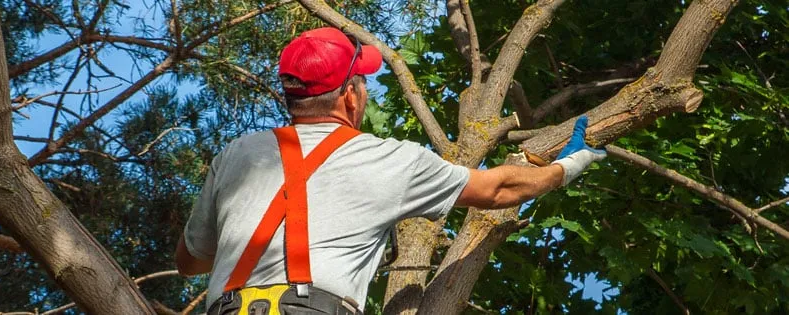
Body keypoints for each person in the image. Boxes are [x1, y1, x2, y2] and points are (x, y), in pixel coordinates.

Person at [174, 27, 606, 315]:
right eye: (362, 83)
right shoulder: (391, 159)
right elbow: (498, 190)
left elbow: (189, 261)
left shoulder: (237, 155)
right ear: (349, 96)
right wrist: (567, 167)